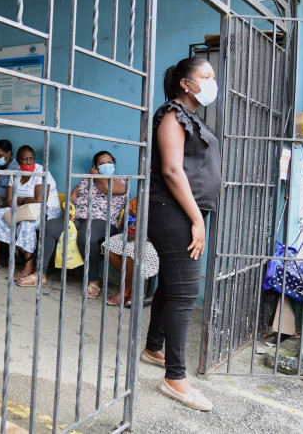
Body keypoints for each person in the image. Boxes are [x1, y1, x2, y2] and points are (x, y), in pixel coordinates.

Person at [141, 57, 221, 412]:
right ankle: (175, 377)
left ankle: (153, 347)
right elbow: (172, 171)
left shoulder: (191, 117)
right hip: (171, 211)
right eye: (205, 76)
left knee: (173, 286)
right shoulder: (171, 115)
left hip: (183, 212)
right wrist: (196, 220)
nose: (211, 82)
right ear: (186, 83)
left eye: (212, 76)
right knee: (186, 291)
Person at [28, 151, 127, 293]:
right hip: (78, 219)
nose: (106, 165)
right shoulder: (85, 181)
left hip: (103, 222)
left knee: (86, 234)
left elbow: (107, 188)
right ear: (95, 166)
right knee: (49, 227)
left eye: (109, 162)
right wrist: (68, 210)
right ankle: (40, 274)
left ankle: (93, 280)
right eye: (102, 163)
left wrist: (96, 176)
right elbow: (70, 199)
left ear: (114, 165)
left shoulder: (122, 181)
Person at [0, 145, 60, 281]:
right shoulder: (16, 174)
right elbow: (9, 200)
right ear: (18, 161)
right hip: (24, 208)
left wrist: (19, 199)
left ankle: (28, 267)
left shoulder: (41, 172)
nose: (29, 162)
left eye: (31, 159)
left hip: (48, 211)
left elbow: (39, 202)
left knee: (26, 224)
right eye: (25, 159)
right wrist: (25, 200)